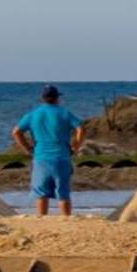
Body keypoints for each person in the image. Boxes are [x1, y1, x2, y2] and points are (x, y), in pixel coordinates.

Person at [13, 85, 85, 217]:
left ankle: (42, 219)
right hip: (61, 157)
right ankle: (66, 219)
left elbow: (16, 131)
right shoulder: (64, 113)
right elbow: (80, 128)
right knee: (63, 193)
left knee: (41, 193)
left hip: (41, 157)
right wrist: (75, 146)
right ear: (57, 98)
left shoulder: (34, 114)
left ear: (43, 98)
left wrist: (27, 148)